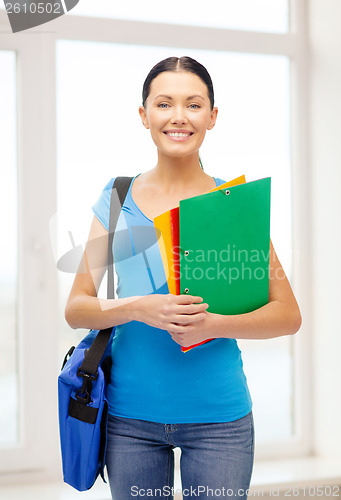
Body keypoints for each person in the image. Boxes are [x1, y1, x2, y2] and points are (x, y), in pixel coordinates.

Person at [65, 56, 302, 499]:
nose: (178, 116)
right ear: (144, 115)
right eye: (164, 104)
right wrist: (139, 308)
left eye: (193, 105)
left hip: (219, 421)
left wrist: (213, 325)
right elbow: (77, 307)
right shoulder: (116, 198)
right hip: (130, 420)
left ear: (212, 117)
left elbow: (287, 315)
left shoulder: (233, 204)